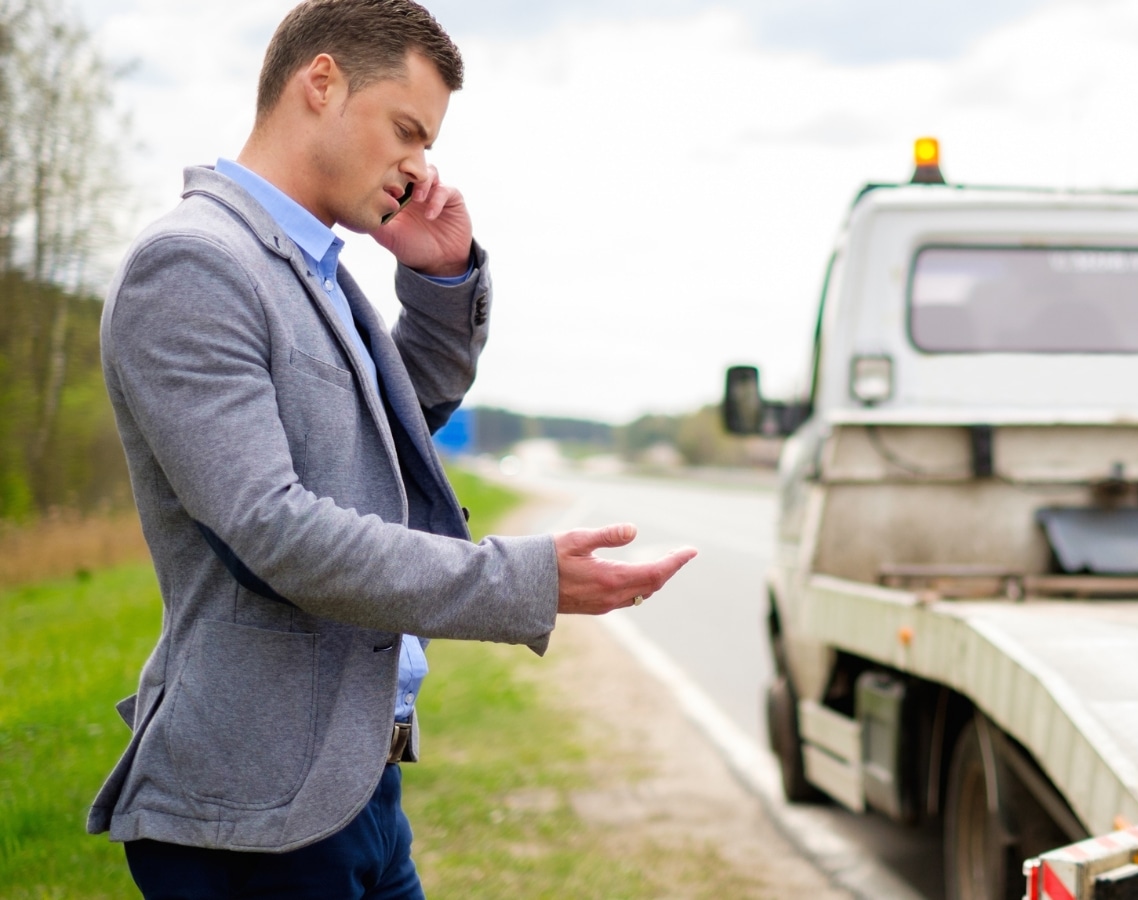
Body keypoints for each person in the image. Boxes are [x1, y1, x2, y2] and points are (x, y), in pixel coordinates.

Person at [87, 1, 696, 896]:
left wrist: (441, 278)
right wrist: (522, 581)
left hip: (352, 790)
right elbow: (276, 530)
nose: (421, 166)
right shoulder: (193, 265)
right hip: (256, 814)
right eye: (407, 130)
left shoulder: (310, 266)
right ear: (321, 82)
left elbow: (393, 430)